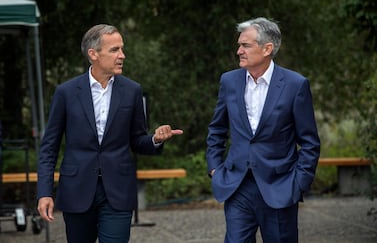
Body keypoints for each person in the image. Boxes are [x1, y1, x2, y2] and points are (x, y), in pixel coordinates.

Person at [37, 24, 183, 243]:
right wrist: (44, 192)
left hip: (118, 190)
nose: (122, 56)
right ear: (93, 54)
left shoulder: (132, 90)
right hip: (77, 190)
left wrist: (155, 139)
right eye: (114, 50)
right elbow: (49, 147)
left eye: (122, 49)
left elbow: (137, 140)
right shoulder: (66, 93)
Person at [206, 17, 320, 243]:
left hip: (280, 187)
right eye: (239, 45)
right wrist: (215, 169)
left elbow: (309, 142)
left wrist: (298, 183)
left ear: (267, 48)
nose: (239, 51)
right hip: (237, 185)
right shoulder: (229, 81)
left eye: (245, 45)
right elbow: (217, 129)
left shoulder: (295, 85)